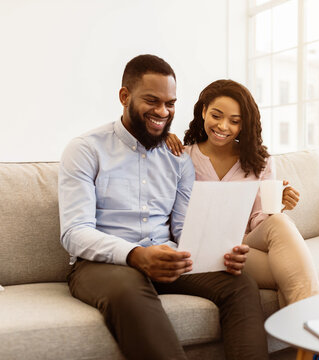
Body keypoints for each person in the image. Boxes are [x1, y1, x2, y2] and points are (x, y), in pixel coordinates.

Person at [58, 55, 268, 360]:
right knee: (128, 289)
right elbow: (75, 232)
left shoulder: (178, 158)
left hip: (167, 255)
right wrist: (136, 255)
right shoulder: (86, 149)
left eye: (170, 103)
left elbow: (182, 227)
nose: (162, 111)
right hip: (104, 265)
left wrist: (219, 251)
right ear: (124, 96)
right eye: (152, 100)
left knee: (240, 283)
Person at [166, 79, 319, 307]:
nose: (223, 126)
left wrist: (277, 204)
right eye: (216, 116)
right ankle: (313, 332)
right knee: (291, 272)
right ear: (203, 111)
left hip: (247, 243)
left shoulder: (259, 161)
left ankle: (308, 335)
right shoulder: (182, 157)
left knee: (279, 221)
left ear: (243, 125)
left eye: (234, 121)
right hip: (207, 250)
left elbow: (260, 221)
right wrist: (162, 138)